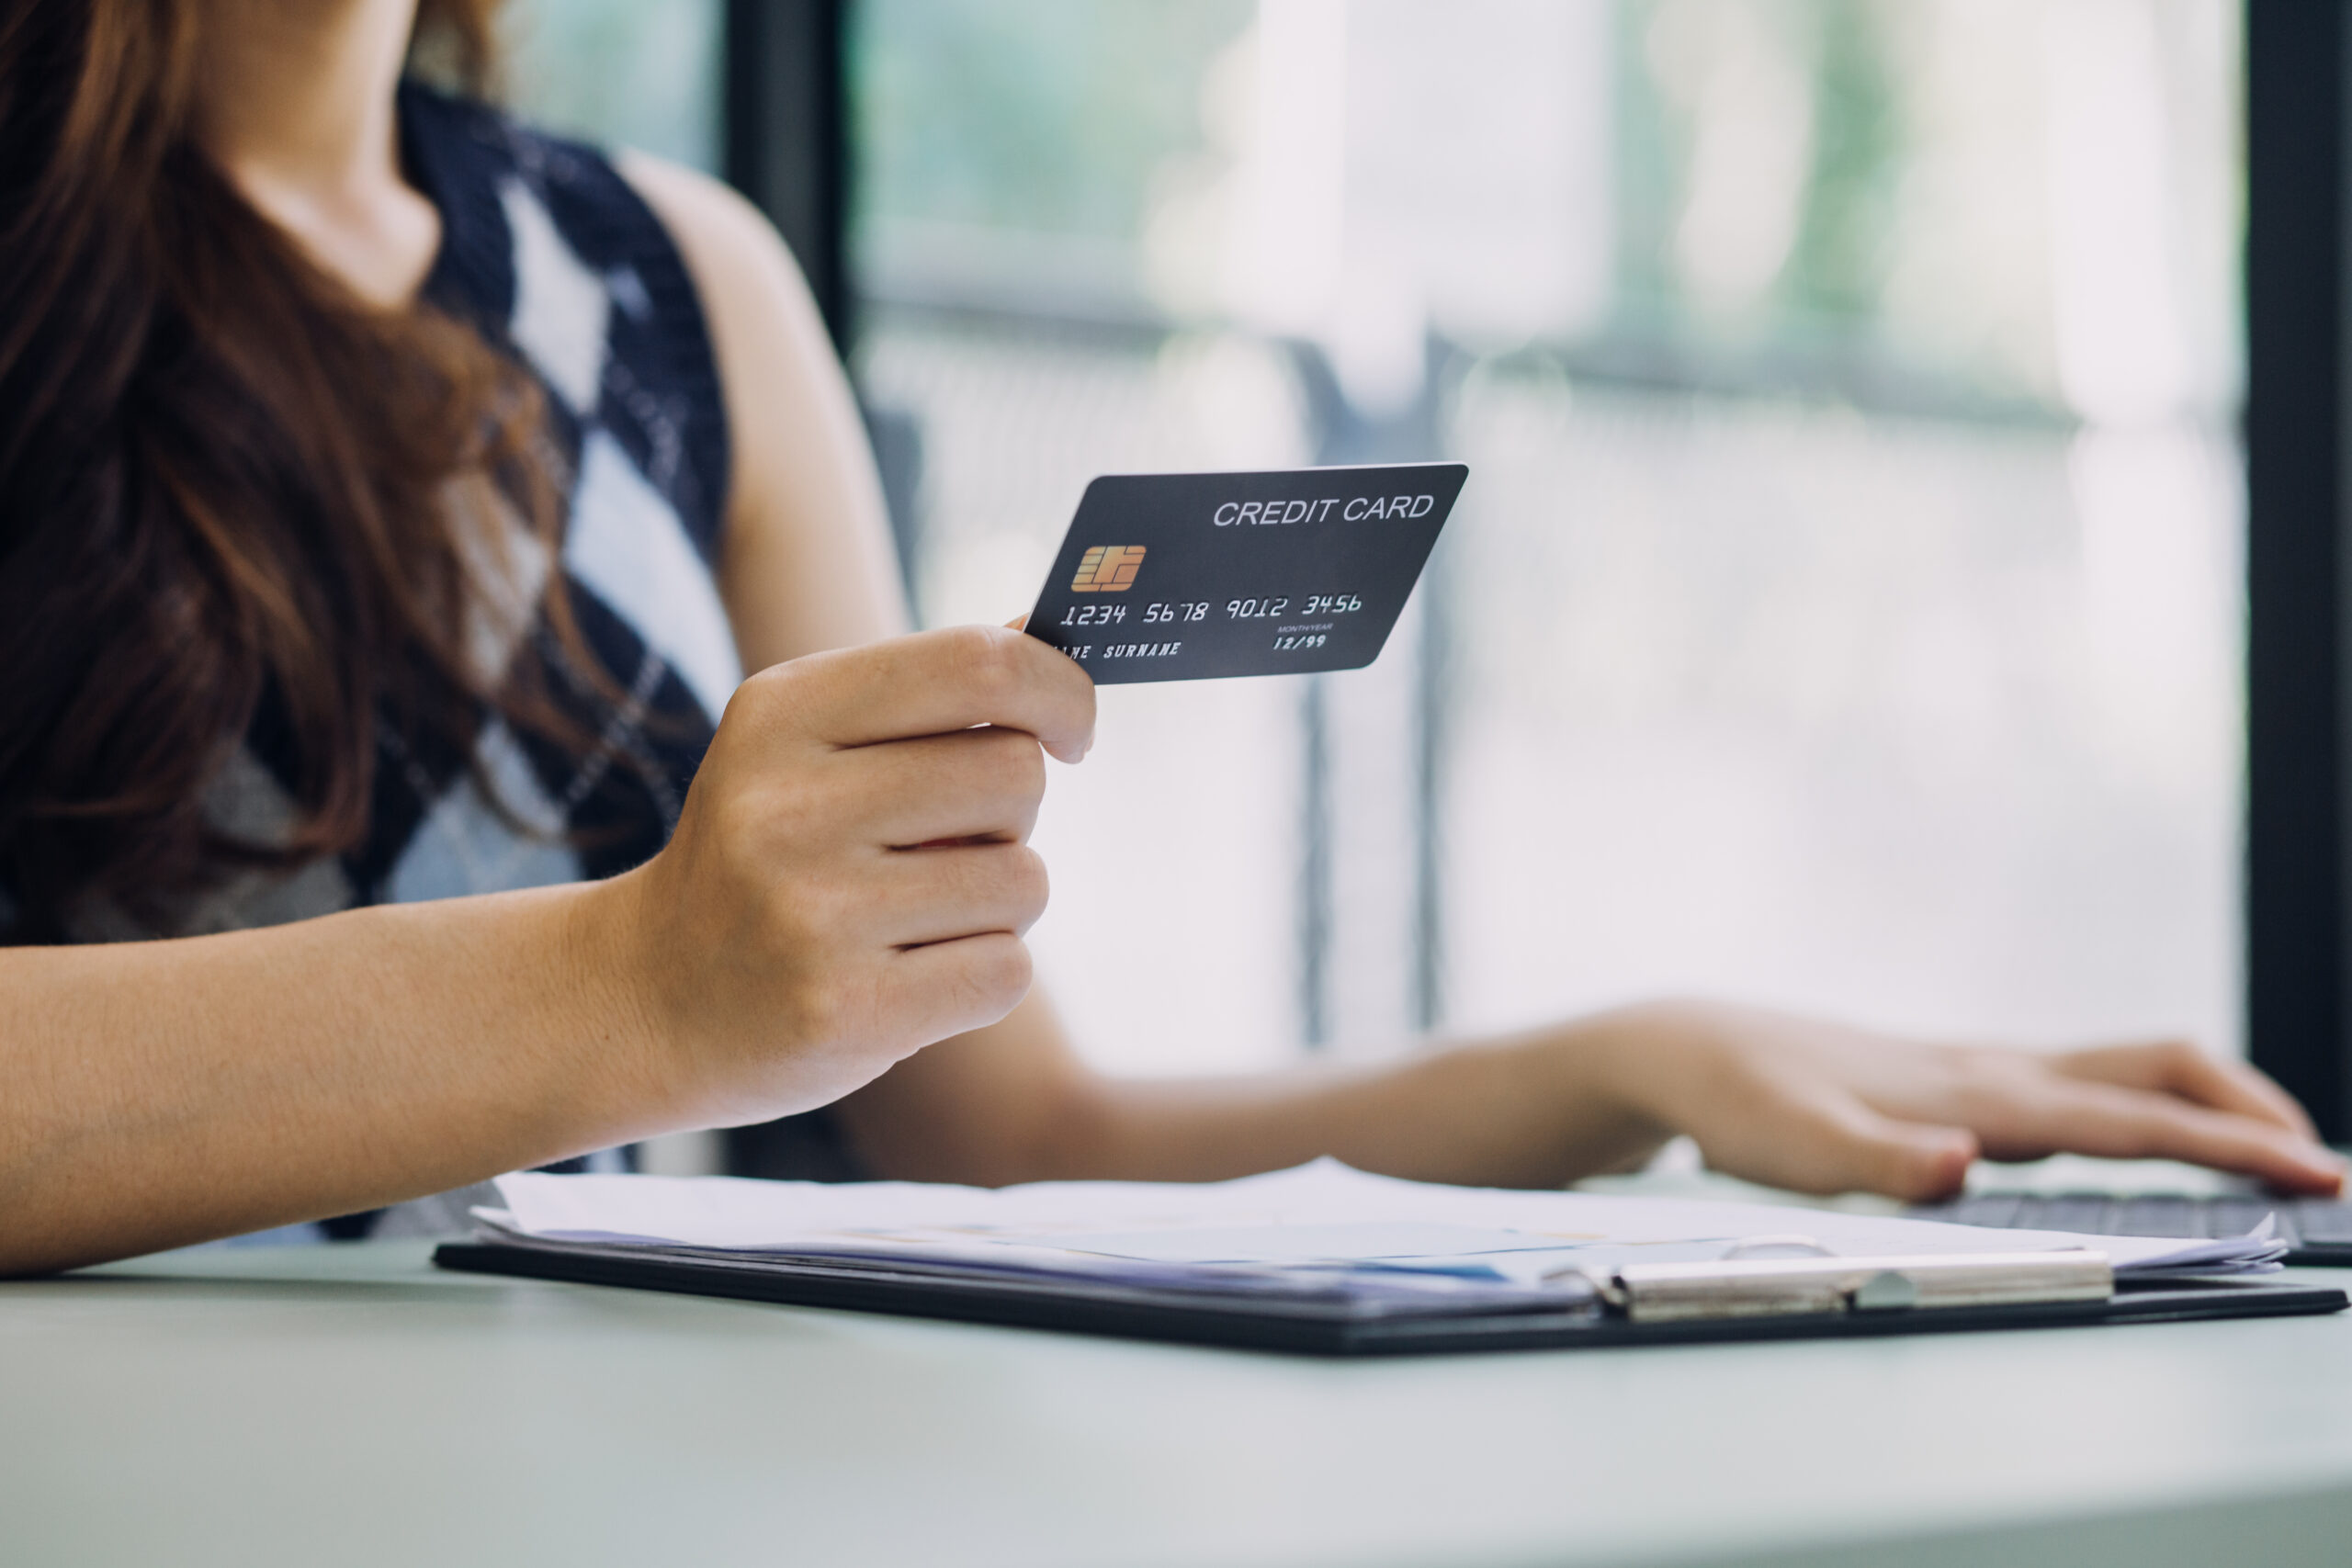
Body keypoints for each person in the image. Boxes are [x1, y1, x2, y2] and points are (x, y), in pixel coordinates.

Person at [0, 0, 2337, 1280]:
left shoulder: (675, 283)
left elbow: (1015, 1136)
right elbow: (677, 996)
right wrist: (637, 983)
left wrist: (1634, 1064)